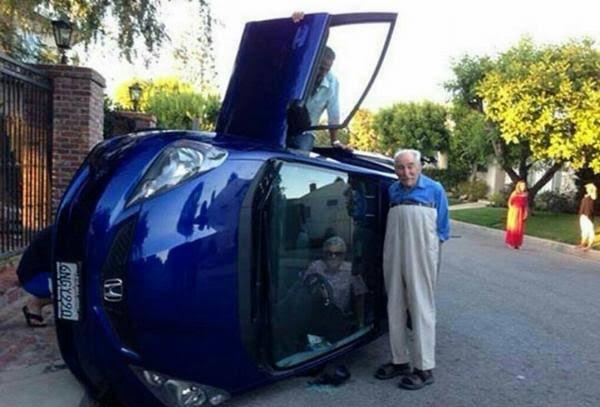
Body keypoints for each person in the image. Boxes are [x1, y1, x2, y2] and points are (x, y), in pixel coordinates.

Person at [375, 149, 449, 390]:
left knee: (421, 303)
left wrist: (431, 251)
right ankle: (399, 361)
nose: (406, 172)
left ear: (419, 167)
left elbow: (442, 227)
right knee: (394, 301)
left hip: (422, 247)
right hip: (394, 245)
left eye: (410, 166)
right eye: (400, 167)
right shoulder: (393, 190)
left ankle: (424, 368)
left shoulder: (434, 189)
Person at [289, 12, 350, 151]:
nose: (323, 73)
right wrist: (296, 22)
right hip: (282, 125)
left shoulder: (332, 83)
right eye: (321, 68)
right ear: (314, 62)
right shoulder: (298, 72)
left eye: (327, 69)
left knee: (302, 147)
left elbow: (334, 114)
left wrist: (335, 141)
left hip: (305, 132)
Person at [17, 226, 53, 327]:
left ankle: (36, 304)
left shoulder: (61, 230)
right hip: (34, 279)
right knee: (79, 290)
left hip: (35, 275)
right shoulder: (61, 234)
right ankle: (35, 304)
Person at [505, 180, 529, 249]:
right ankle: (511, 242)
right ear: (519, 186)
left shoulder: (525, 194)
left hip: (521, 212)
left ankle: (517, 244)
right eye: (522, 185)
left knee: (519, 228)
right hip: (514, 212)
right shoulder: (514, 193)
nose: (523, 187)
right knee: (513, 227)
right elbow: (509, 202)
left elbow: (526, 204)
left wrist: (526, 212)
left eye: (524, 186)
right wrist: (512, 210)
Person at [577, 183, 597, 251]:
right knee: (584, 231)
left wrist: (593, 188)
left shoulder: (592, 196)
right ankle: (582, 243)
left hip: (588, 216)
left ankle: (589, 245)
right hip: (582, 216)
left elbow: (594, 195)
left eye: (588, 188)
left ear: (591, 189)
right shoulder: (586, 196)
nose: (587, 189)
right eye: (586, 188)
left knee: (590, 231)